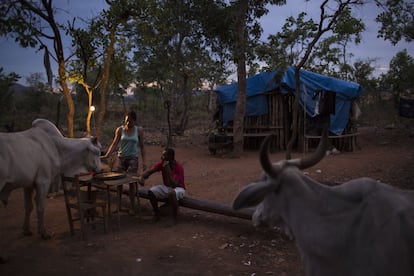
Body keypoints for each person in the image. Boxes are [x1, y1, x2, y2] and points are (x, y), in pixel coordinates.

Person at [101, 110, 146, 215]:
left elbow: (142, 147)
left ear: (135, 121)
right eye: (126, 121)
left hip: (133, 158)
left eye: (130, 121)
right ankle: (119, 205)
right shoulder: (120, 130)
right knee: (118, 182)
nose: (128, 123)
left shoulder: (138, 131)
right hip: (121, 158)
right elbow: (114, 143)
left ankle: (132, 207)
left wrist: (144, 161)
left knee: (131, 182)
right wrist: (107, 154)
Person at [139, 148, 185, 223]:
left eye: (164, 156)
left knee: (172, 193)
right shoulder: (162, 164)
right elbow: (150, 172)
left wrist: (168, 171)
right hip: (167, 187)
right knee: (151, 192)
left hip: (178, 188)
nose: (162, 157)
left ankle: (174, 218)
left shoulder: (178, 167)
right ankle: (157, 214)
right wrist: (142, 177)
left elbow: (174, 185)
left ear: (170, 157)